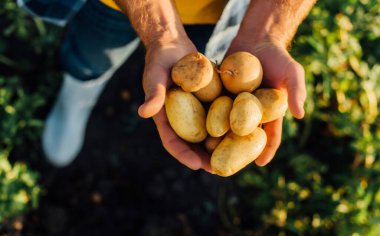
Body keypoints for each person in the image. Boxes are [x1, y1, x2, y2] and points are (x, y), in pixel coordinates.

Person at [18, 0, 316, 172]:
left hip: (227, 8)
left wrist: (267, 30)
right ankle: (78, 96)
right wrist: (161, 29)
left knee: (203, 66)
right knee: (92, 54)